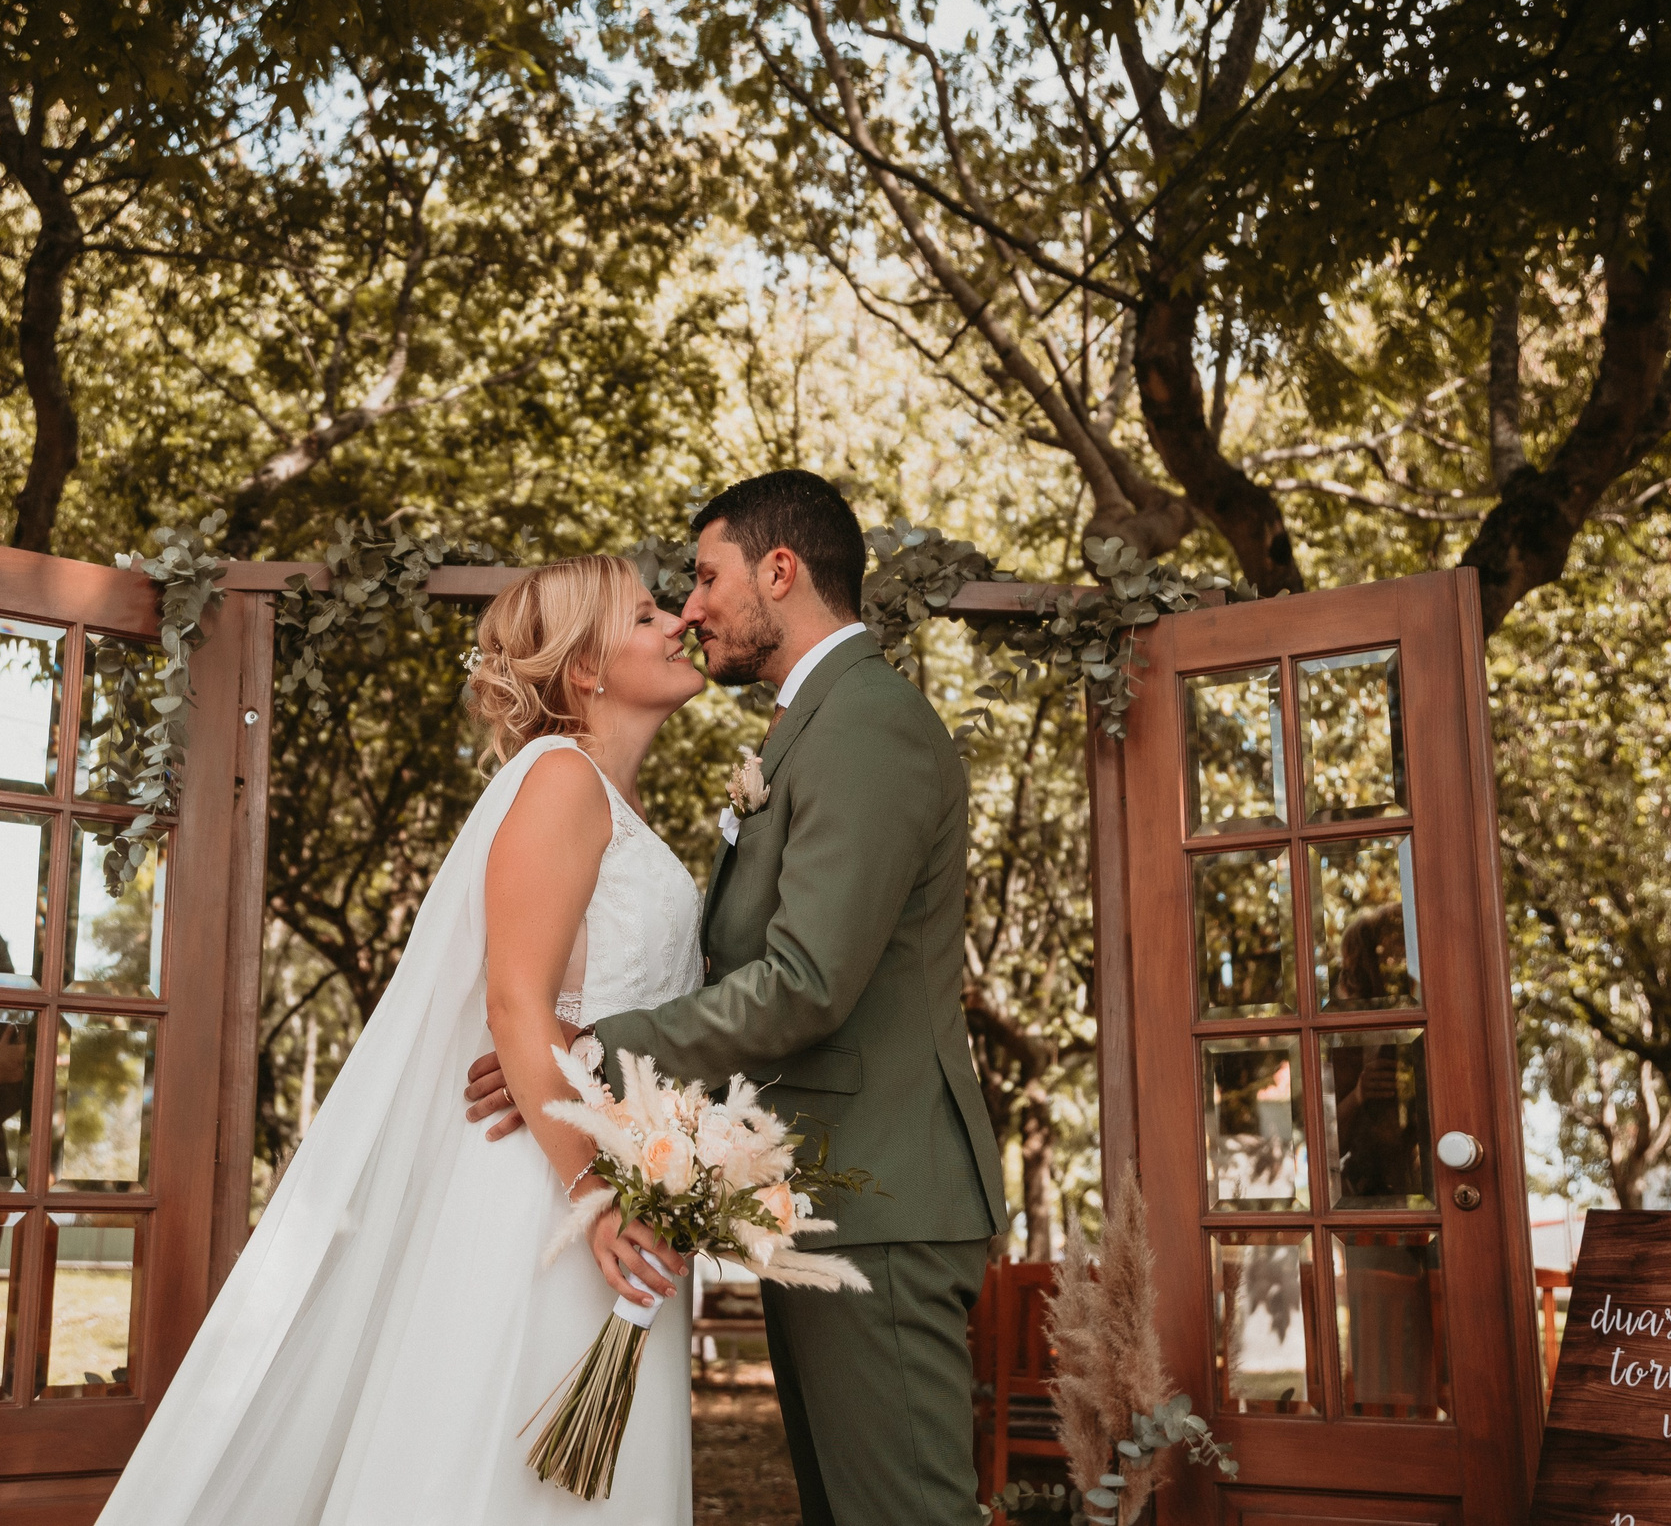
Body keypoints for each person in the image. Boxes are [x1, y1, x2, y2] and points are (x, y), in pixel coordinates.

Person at [96, 553, 708, 1525]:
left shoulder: (618, 805)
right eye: (646, 613)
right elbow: (514, 1002)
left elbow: (596, 1006)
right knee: (501, 1464)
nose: (679, 621)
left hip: (625, 1176)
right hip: (549, 1190)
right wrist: (592, 1194)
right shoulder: (559, 778)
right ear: (586, 667)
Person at [471, 469, 1006, 1526]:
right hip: (826, 1199)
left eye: (707, 576)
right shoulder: (810, 725)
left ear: (779, 569)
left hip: (881, 1203)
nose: (692, 608)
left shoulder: (863, 722)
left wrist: (596, 1047)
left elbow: (806, 981)